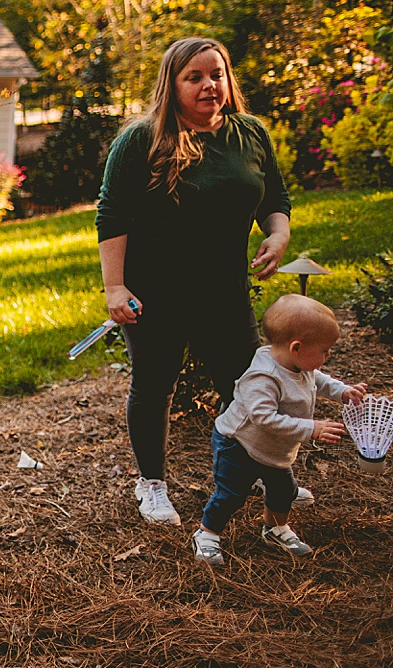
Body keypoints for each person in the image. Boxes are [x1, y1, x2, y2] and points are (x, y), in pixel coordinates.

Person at [96, 37, 292, 527]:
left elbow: (274, 198)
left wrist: (278, 234)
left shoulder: (249, 133)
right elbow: (111, 213)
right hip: (155, 295)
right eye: (195, 77)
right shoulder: (141, 139)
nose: (210, 85)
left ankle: (269, 474)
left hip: (225, 291)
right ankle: (152, 485)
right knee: (155, 386)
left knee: (247, 386)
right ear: (173, 83)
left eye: (217, 74)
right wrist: (116, 288)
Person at [192, 294, 366, 563]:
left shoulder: (297, 364)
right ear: (296, 347)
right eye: (324, 351)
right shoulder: (262, 378)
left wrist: (342, 391)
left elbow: (318, 379)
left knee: (284, 491)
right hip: (238, 445)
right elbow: (265, 419)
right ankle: (207, 533)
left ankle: (274, 528)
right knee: (231, 495)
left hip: (272, 449)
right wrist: (312, 428)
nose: (327, 356)